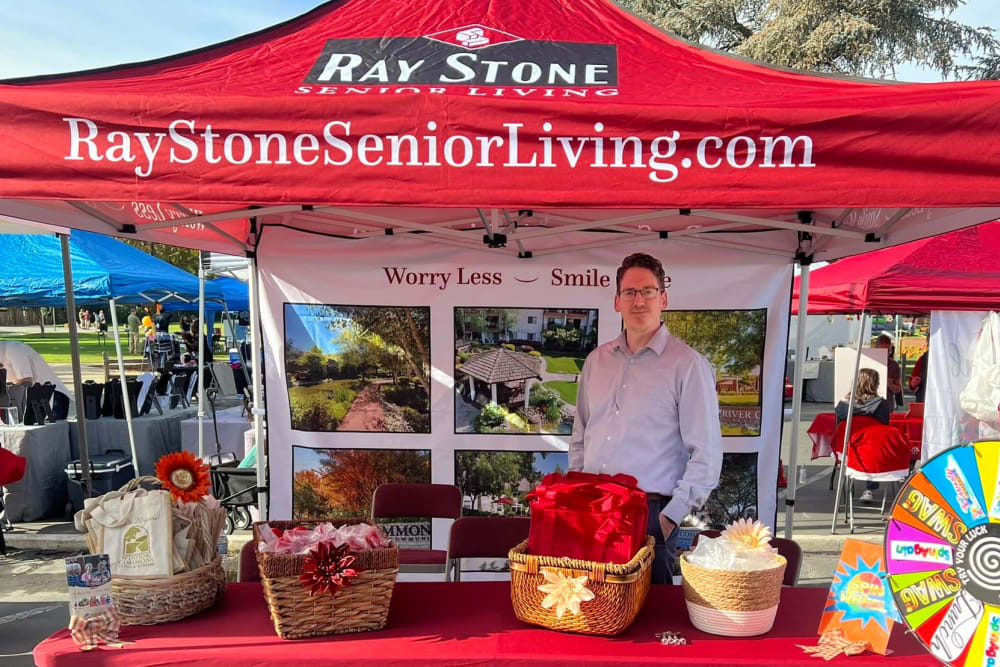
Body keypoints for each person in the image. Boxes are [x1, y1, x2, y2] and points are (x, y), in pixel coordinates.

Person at [569, 252, 722, 584]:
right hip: (594, 510)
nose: (639, 300)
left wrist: (669, 518)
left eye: (648, 291)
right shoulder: (596, 361)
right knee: (593, 613)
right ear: (617, 302)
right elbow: (581, 435)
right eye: (630, 292)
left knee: (651, 625)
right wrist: (579, 494)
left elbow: (706, 454)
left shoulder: (688, 365)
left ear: (663, 299)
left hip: (649, 515)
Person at [834, 367, 890, 503]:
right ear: (875, 384)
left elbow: (838, 428)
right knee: (876, 447)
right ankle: (870, 488)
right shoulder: (881, 404)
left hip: (848, 450)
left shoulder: (842, 406)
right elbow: (884, 429)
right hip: (873, 450)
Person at [874, 333, 903, 411]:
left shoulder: (894, 365)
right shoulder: (868, 362)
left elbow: (898, 389)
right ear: (876, 349)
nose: (885, 353)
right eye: (882, 350)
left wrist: (890, 385)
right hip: (869, 406)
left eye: (887, 351)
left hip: (887, 407)